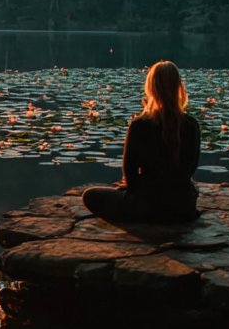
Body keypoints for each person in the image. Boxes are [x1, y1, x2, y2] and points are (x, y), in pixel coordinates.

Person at [82, 60, 201, 223]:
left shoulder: (140, 125)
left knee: (91, 195)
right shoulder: (191, 124)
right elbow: (189, 170)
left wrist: (136, 189)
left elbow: (129, 172)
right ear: (178, 87)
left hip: (147, 204)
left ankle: (138, 215)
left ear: (151, 88)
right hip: (182, 205)